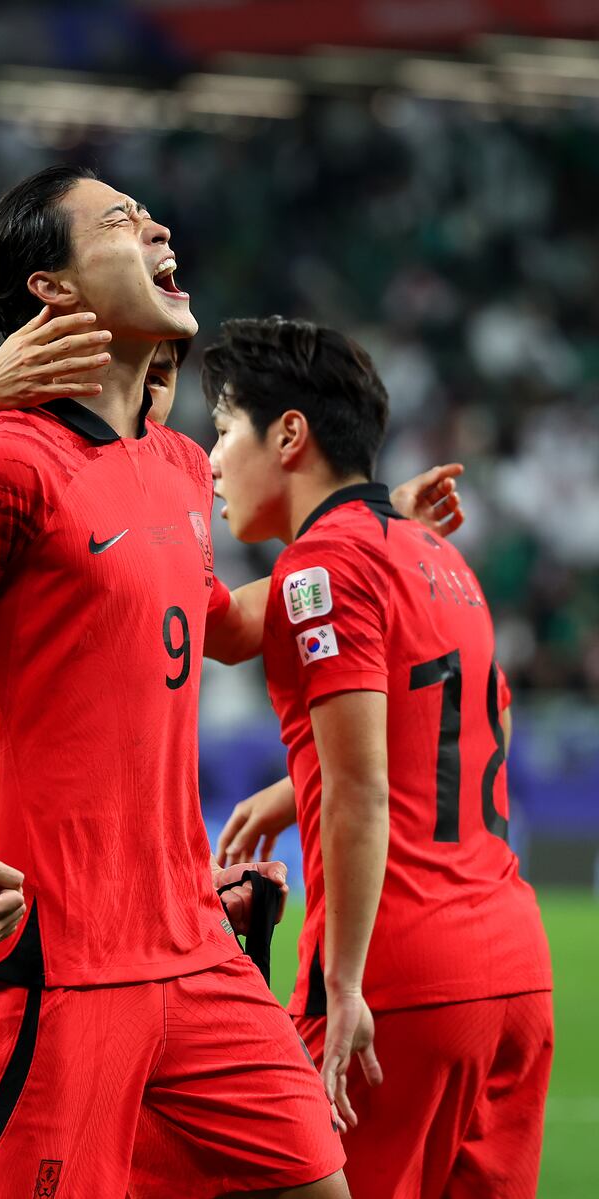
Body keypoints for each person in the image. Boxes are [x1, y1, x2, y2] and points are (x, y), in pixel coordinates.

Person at [0, 165, 351, 1199]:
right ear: (54, 290)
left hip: (192, 946)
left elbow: (211, 622)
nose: (159, 223)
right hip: (46, 966)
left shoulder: (174, 464)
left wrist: (360, 542)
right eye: (123, 219)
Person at [206, 316, 553, 1199]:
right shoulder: (440, 557)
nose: (210, 461)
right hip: (513, 971)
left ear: (289, 434)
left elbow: (362, 792)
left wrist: (345, 982)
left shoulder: (324, 568)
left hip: (401, 978)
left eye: (220, 430)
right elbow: (449, 732)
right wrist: (300, 784)